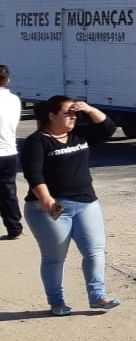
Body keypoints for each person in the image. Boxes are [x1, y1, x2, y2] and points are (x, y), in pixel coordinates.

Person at [21, 96, 120, 316]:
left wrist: (89, 108)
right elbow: (33, 173)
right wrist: (46, 200)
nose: (73, 117)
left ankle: (98, 297)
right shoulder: (37, 141)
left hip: (86, 204)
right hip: (51, 208)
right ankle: (57, 302)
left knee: (95, 252)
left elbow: (108, 128)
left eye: (75, 113)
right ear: (52, 115)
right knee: (55, 257)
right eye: (68, 113)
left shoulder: (79, 135)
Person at [0, 65, 23, 240]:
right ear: (7, 80)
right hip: (9, 151)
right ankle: (14, 227)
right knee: (8, 191)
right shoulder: (14, 100)